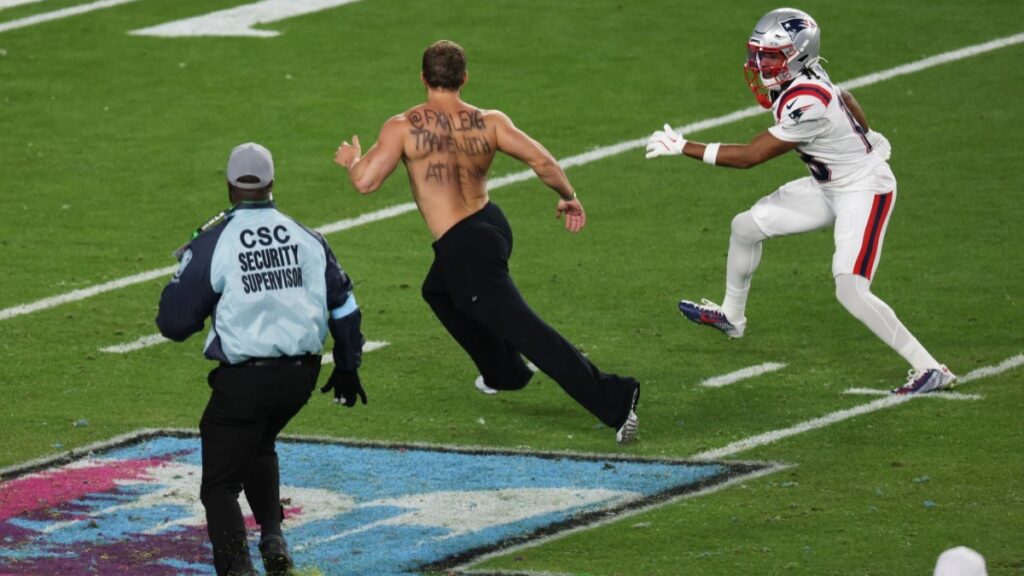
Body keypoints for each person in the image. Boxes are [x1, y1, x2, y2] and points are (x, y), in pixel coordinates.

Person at [333, 40, 639, 443]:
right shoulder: (490, 121)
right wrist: (568, 197)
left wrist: (352, 159)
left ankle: (615, 396)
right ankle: (503, 371)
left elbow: (366, 182)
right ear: (464, 78)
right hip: (491, 226)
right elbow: (542, 161)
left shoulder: (403, 126)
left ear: (423, 78)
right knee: (439, 291)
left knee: (528, 331)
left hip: (465, 248)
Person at [645, 8, 955, 394]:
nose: (759, 65)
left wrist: (682, 146)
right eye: (758, 54)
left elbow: (750, 156)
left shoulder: (807, 100)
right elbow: (844, 94)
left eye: (771, 56)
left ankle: (929, 368)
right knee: (745, 226)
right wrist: (867, 133)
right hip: (827, 186)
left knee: (850, 288)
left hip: (863, 188)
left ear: (798, 55)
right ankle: (731, 316)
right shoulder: (805, 78)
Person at [156, 142, 366, 576]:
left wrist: (183, 279)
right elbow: (345, 306)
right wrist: (347, 365)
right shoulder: (308, 237)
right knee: (258, 441)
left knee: (219, 484)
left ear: (231, 187)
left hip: (245, 383)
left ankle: (238, 569)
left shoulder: (217, 242)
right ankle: (273, 538)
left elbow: (174, 323)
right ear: (272, 184)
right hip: (300, 379)